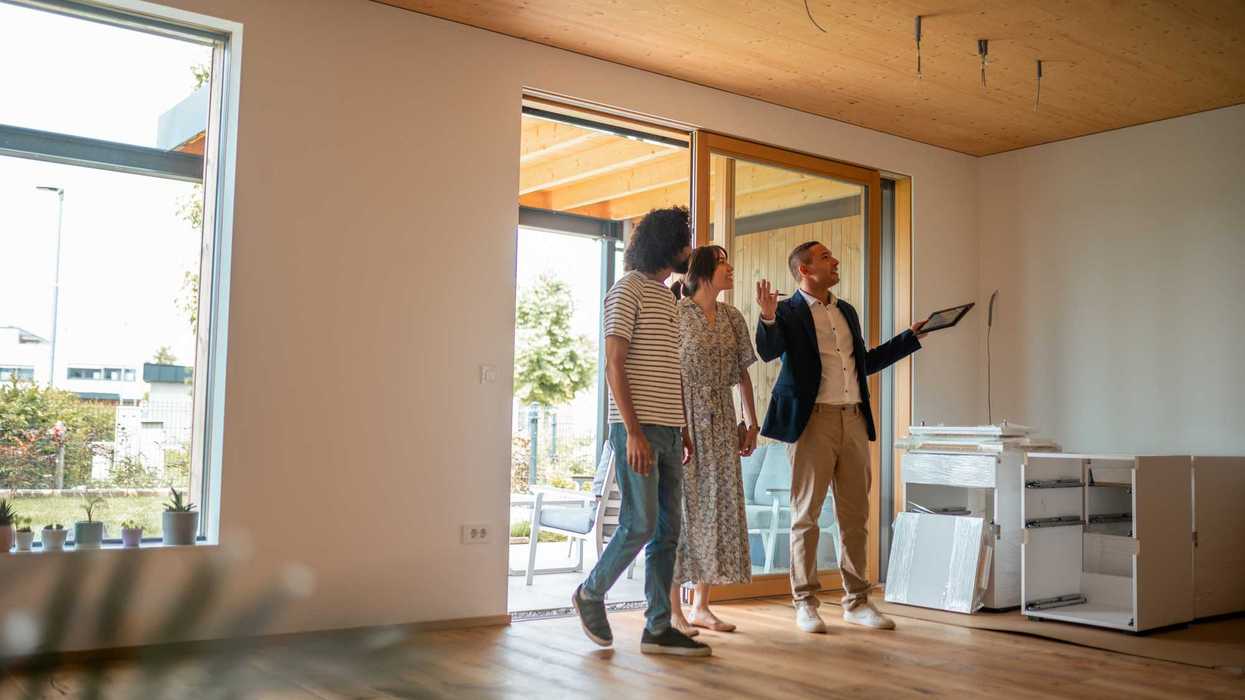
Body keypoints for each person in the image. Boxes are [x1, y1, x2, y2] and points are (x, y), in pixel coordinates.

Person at [755, 241, 927, 634]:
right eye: (825, 257)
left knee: (855, 516)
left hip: (852, 419)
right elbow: (767, 352)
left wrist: (907, 338)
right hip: (811, 422)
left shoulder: (845, 310)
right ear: (804, 269)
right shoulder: (786, 310)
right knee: (806, 517)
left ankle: (857, 602)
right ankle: (805, 603)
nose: (835, 262)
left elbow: (863, 363)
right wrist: (766, 317)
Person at [572, 206, 710, 657]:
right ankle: (591, 593)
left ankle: (657, 627)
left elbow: (670, 371)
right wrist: (632, 432)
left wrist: (683, 427)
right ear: (663, 244)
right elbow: (614, 364)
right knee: (640, 522)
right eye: (683, 241)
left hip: (670, 429)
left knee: (669, 531)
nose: (689, 249)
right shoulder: (626, 289)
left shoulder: (669, 299)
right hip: (639, 429)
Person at [668, 245, 761, 637]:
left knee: (717, 507)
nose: (731, 268)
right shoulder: (675, 314)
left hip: (722, 418)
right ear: (704, 271)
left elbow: (742, 373)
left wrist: (751, 421)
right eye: (723, 262)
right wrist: (678, 423)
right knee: (683, 512)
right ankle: (672, 611)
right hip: (684, 417)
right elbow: (668, 372)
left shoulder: (732, 316)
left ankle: (702, 605)